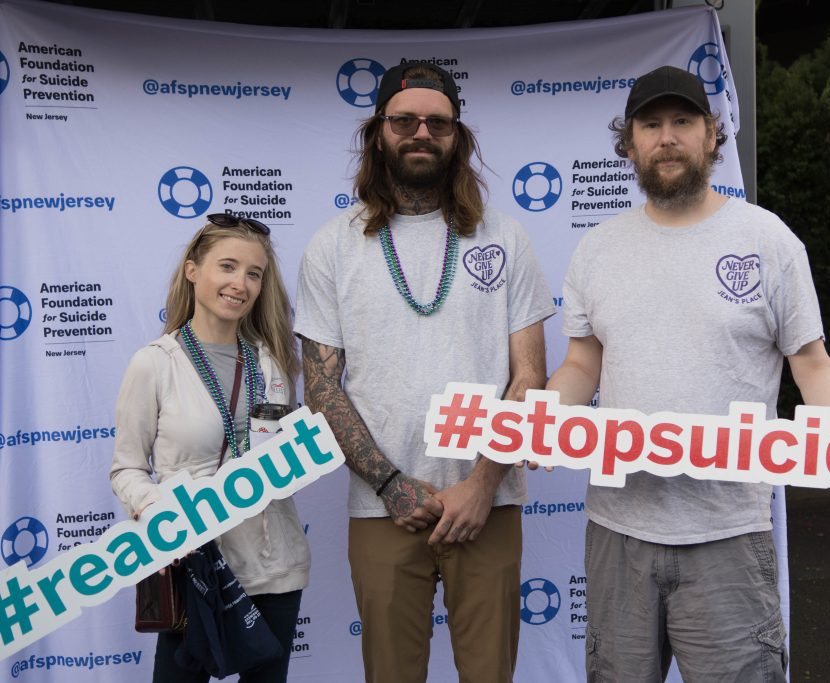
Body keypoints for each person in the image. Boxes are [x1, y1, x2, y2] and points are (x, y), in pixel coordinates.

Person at [546, 65, 830, 682]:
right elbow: (582, 363)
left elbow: (812, 364)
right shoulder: (598, 249)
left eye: (683, 121)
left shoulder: (767, 240)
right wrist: (544, 421)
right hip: (618, 532)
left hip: (729, 534)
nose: (667, 137)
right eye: (650, 124)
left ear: (712, 134)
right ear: (627, 143)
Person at [294, 61, 553, 683]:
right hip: (384, 508)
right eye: (404, 119)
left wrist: (483, 483)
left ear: (457, 137)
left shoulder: (506, 238)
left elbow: (529, 378)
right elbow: (322, 385)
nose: (420, 132)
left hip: (487, 506)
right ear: (378, 132)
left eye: (438, 122)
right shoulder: (333, 245)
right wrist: (389, 484)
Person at [110, 214, 307, 683]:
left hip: (274, 567)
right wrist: (161, 515)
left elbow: (284, 457)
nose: (240, 283)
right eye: (228, 266)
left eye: (254, 273)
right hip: (194, 566)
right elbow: (127, 469)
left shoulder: (271, 362)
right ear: (193, 270)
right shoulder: (155, 364)